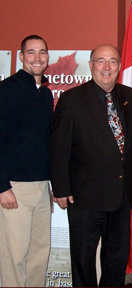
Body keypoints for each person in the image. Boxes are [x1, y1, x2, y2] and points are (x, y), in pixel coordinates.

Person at [50, 44, 132, 287]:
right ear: (91, 65)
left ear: (120, 66)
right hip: (84, 196)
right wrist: (60, 189)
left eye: (113, 61)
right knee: (83, 259)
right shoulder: (72, 100)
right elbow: (59, 149)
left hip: (121, 197)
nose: (107, 67)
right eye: (101, 61)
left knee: (116, 259)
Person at [0, 35, 53, 287]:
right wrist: (2, 187)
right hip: (14, 188)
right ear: (21, 57)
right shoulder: (7, 89)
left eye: (42, 52)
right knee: (14, 256)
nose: (37, 58)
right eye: (31, 52)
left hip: (41, 186)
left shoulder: (44, 93)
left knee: (39, 253)